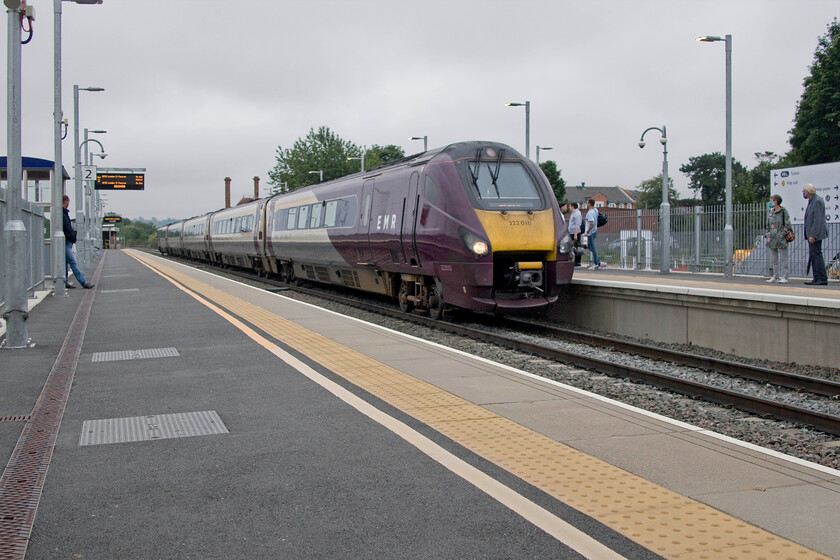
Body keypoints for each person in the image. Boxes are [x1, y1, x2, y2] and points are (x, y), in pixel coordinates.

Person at [62, 195, 95, 289]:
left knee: (65, 263)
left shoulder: (64, 213)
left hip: (67, 242)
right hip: (66, 242)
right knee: (73, 262)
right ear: (66, 201)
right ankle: (83, 282)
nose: (69, 204)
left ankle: (65, 282)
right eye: (68, 202)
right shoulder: (62, 214)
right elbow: (67, 228)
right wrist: (72, 235)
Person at [802, 183, 828, 285]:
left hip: (815, 234)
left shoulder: (817, 201)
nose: (803, 193)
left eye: (804, 191)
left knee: (817, 255)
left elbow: (817, 220)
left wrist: (813, 235)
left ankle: (821, 278)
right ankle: (816, 277)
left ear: (808, 192)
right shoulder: (812, 201)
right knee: (813, 255)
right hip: (812, 234)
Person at [765, 194, 791, 283]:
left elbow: (787, 225)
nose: (769, 202)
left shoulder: (783, 211)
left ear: (775, 201)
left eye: (771, 200)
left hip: (781, 238)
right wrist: (768, 233)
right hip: (772, 239)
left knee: (784, 258)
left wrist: (782, 234)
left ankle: (785, 276)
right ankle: (775, 275)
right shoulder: (771, 212)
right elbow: (768, 224)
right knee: (774, 259)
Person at [582, 199, 604, 269]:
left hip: (591, 233)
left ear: (589, 204)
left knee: (592, 248)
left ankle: (596, 263)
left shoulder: (590, 213)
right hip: (594, 231)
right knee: (590, 246)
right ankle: (598, 261)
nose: (586, 204)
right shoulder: (595, 210)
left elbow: (592, 223)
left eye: (587, 203)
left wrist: (587, 232)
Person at [568, 202, 583, 267]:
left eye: (570, 206)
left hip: (575, 233)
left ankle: (577, 262)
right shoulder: (573, 213)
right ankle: (575, 261)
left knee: (576, 247)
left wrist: (575, 234)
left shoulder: (577, 214)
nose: (569, 207)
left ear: (572, 206)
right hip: (572, 232)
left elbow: (578, 224)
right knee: (573, 247)